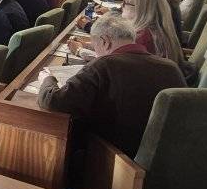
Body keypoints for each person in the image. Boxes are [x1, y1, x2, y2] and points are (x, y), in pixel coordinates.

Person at [38, 14, 186, 159]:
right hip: (168, 157)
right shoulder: (171, 68)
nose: (96, 53)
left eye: (95, 46)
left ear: (105, 41)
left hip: (113, 159)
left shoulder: (104, 65)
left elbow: (54, 101)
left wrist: (47, 79)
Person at [121, 0, 184, 65]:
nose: (121, 5)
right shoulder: (160, 31)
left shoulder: (140, 39)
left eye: (125, 2)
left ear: (140, 9)